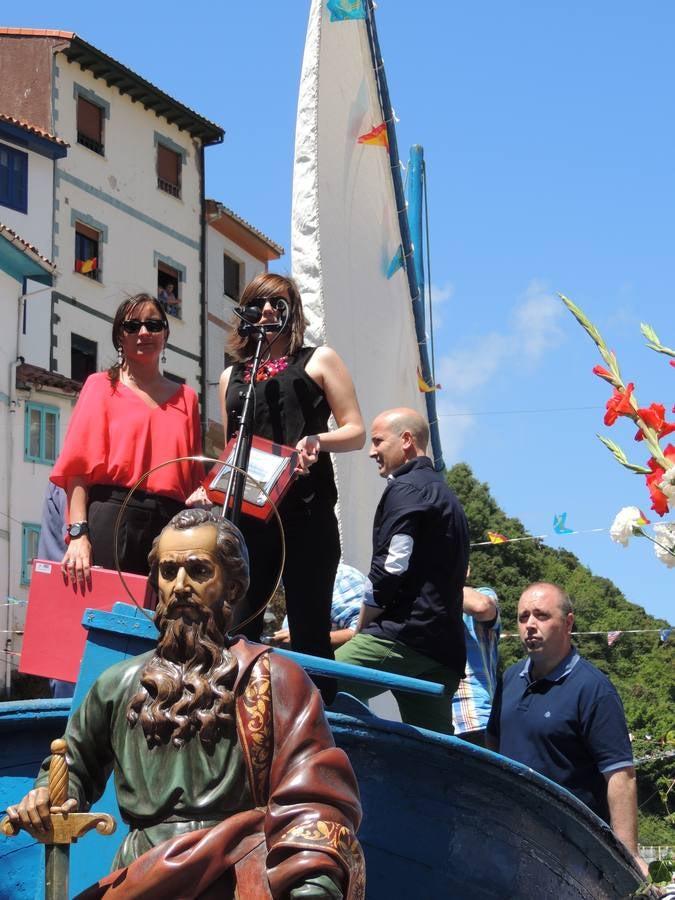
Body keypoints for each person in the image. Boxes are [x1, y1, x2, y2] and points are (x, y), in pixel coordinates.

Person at [7, 509, 364, 899]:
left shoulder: (275, 680)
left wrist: (312, 886)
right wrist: (46, 796)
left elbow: (315, 798)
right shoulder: (118, 684)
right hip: (142, 876)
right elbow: (72, 764)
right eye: (168, 571)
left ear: (233, 585)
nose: (179, 586)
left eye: (198, 570)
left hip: (237, 876)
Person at [221, 273, 365, 670]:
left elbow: (356, 431)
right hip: (249, 514)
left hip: (306, 511)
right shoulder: (232, 377)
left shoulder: (319, 360)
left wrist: (318, 441)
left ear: (293, 310)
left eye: (278, 302)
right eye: (259, 302)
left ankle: (317, 721)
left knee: (309, 628)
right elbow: (232, 446)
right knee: (238, 624)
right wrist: (212, 487)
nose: (267, 309)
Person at [486, 582, 648, 878]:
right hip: (510, 837)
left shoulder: (593, 689)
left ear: (568, 623)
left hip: (570, 849)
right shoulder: (509, 679)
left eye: (541, 616)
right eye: (523, 618)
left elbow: (620, 776)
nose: (530, 625)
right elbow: (493, 745)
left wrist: (629, 855)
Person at [50, 293, 204, 584]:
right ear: (120, 336)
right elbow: (77, 471)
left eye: (153, 325)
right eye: (132, 326)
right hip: (112, 517)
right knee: (110, 617)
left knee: (166, 623)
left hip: (172, 525)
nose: (143, 332)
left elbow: (193, 478)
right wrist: (78, 534)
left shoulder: (187, 398)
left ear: (165, 333)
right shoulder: (99, 386)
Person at [335, 408, 469, 735]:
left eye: (379, 441)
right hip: (443, 653)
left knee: (304, 690)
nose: (371, 450)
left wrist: (361, 628)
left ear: (406, 440)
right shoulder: (448, 497)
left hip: (403, 636)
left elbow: (392, 566)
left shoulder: (406, 488)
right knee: (435, 758)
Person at [272, 562, 366, 651]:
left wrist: (303, 639)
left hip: (329, 665)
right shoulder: (294, 578)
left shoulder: (340, 578)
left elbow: (362, 633)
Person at [452, 578, 500, 746]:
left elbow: (482, 607)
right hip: (437, 722)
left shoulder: (483, 593)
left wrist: (439, 581)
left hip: (474, 719)